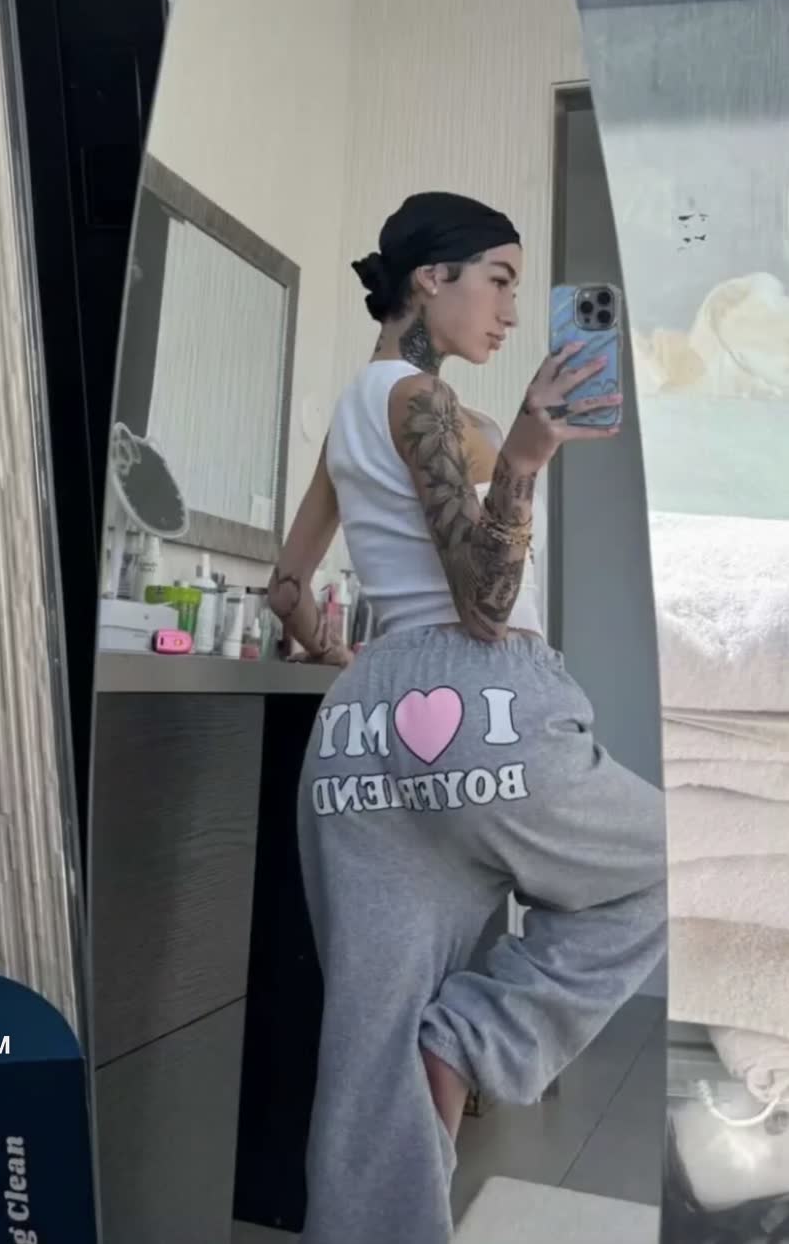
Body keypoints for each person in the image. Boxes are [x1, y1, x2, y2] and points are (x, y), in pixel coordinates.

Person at [267, 190, 667, 1244]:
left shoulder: (353, 412)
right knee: (687, 862)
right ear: (429, 277)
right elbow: (487, 608)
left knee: (370, 1053)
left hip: (359, 735)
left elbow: (285, 588)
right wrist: (522, 458)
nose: (510, 310)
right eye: (497, 278)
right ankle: (475, 1038)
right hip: (484, 701)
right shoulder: (428, 405)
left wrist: (347, 661)